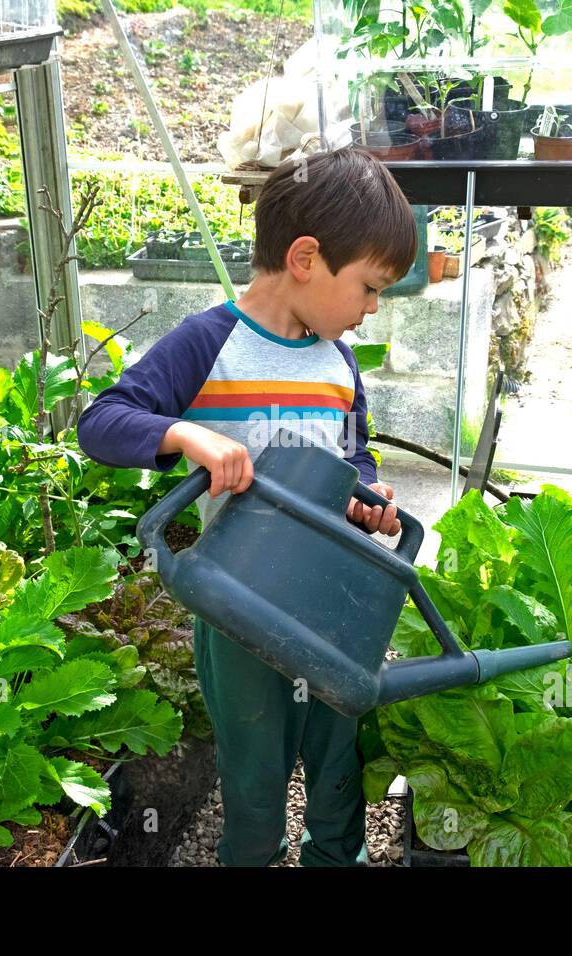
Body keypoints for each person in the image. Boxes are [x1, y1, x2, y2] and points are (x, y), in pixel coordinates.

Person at [76, 147, 418, 866]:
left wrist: (369, 498)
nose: (372, 308)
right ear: (305, 258)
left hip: (330, 612)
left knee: (335, 771)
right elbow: (102, 421)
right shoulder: (209, 345)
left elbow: (354, 455)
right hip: (239, 614)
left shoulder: (337, 363)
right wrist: (186, 433)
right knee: (256, 782)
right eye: (369, 286)